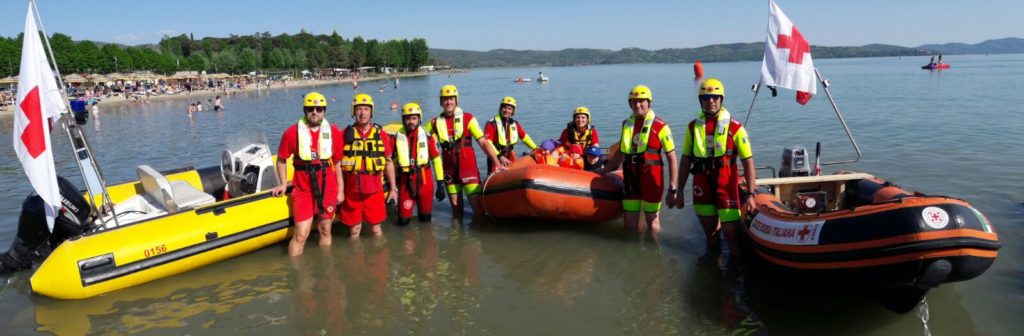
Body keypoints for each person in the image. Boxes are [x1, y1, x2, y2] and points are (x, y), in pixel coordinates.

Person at [672, 78, 757, 260]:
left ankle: (735, 276)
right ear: (701, 100)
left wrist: (751, 194)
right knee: (710, 236)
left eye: (715, 97)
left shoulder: (736, 128)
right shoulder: (692, 127)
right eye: (706, 97)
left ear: (721, 99)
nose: (710, 100)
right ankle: (714, 270)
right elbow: (685, 160)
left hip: (726, 187)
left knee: (732, 237)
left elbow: (748, 161)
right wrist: (679, 191)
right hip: (702, 186)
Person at [271, 92, 344, 256]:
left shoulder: (333, 132)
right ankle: (298, 277)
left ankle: (325, 266)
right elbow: (281, 159)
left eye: (319, 109)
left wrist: (341, 191)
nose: (315, 112)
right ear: (305, 110)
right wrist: (283, 183)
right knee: (301, 234)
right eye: (311, 109)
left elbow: (337, 163)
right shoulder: (291, 132)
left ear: (324, 111)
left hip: (328, 187)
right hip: (304, 189)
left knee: (325, 230)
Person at [599, 85, 678, 234]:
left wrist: (672, 189)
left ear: (649, 102)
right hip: (631, 179)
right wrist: (605, 170)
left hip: (652, 179)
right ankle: (631, 255)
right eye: (633, 102)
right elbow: (621, 152)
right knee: (629, 225)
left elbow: (672, 159)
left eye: (641, 101)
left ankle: (655, 254)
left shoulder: (661, 126)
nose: (637, 105)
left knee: (652, 223)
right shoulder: (626, 124)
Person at [425, 84, 504, 216]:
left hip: (468, 169)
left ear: (456, 100)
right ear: (441, 102)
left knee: (479, 211)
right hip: (449, 170)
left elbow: (483, 142)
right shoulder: (433, 123)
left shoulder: (468, 118)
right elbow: (418, 136)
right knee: (456, 212)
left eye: (451, 99)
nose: (448, 102)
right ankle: (457, 235)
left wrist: (497, 162)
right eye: (445, 99)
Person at [338, 93, 398, 237]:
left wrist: (393, 188)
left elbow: (388, 163)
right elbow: (337, 164)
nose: (362, 112)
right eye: (359, 109)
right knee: (354, 231)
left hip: (374, 191)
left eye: (366, 109)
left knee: (376, 230)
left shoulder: (381, 134)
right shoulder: (344, 134)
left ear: (371, 111)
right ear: (353, 111)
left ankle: (380, 256)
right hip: (352, 192)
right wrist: (340, 190)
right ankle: (355, 258)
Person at [393, 102, 446, 225]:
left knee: (425, 221)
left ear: (419, 119)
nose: (410, 121)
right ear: (403, 119)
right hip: (405, 183)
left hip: (425, 183)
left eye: (414, 118)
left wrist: (440, 183)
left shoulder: (427, 138)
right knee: (403, 222)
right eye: (407, 118)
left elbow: (437, 160)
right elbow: (389, 160)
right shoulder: (396, 137)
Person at [483, 96, 537, 174]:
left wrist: (536, 148)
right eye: (504, 107)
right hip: (495, 157)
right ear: (500, 108)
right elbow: (487, 143)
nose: (506, 110)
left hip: (510, 156)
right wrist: (500, 157)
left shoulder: (515, 124)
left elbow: (525, 138)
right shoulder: (491, 124)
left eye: (509, 108)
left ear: (513, 111)